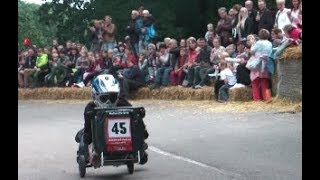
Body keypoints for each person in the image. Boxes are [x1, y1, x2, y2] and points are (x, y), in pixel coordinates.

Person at [76, 73, 149, 167]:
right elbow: (88, 132)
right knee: (83, 137)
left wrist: (142, 130)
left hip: (122, 140)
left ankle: (139, 149)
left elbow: (135, 118)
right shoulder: (90, 108)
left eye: (112, 97)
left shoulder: (122, 103)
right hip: (99, 138)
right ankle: (85, 156)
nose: (109, 102)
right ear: (95, 96)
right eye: (104, 98)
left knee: (83, 136)